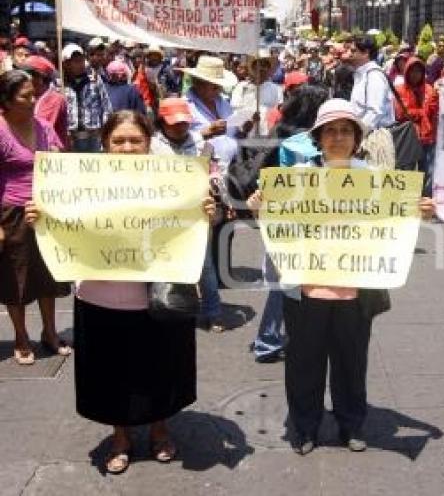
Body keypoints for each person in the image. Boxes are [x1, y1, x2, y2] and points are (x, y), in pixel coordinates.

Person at [24, 110, 215, 474]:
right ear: (105, 144)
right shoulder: (79, 183)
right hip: (100, 298)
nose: (127, 148)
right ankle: (121, 437)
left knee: (161, 367)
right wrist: (41, 217)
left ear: (148, 143)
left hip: (157, 298)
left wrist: (208, 212)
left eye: (135, 140)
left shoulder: (174, 181)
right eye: (119, 141)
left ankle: (160, 430)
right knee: (111, 373)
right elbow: (62, 224)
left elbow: (192, 227)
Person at [247, 99, 434, 454]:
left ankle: (351, 425)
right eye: (330, 131)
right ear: (318, 137)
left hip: (355, 293)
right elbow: (275, 226)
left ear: (356, 137)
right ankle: (305, 428)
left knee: (351, 364)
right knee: (304, 364)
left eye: (345, 130)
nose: (337, 137)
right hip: (304, 290)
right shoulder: (297, 178)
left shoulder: (375, 178)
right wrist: (261, 206)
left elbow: (392, 224)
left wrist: (418, 213)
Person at [250, 84, 328, 363]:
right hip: (303, 222)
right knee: (289, 284)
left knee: (284, 282)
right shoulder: (304, 145)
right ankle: (268, 340)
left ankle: (270, 337)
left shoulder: (281, 130)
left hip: (281, 219)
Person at [0, 70, 71, 365]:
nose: (33, 100)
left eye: (34, 94)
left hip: (46, 211)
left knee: (48, 276)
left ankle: (50, 333)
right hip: (12, 212)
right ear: (6, 99)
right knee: (16, 278)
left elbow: (60, 159)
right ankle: (20, 335)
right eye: (25, 96)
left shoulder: (43, 126)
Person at [150, 98, 226, 332]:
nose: (180, 127)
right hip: (162, 215)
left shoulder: (202, 143)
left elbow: (214, 170)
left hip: (197, 214)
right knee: (164, 261)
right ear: (162, 121)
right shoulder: (151, 147)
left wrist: (215, 185)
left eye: (184, 122)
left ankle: (213, 312)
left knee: (205, 266)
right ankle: (168, 306)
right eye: (174, 123)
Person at [395, 57, 439, 195]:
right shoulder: (400, 90)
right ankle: (408, 200)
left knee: (427, 172)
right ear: (407, 72)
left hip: (428, 138)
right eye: (412, 71)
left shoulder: (430, 90)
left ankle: (424, 200)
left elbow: (435, 111)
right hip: (409, 138)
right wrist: (422, 112)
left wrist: (437, 102)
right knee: (407, 172)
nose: (415, 74)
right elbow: (401, 113)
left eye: (419, 71)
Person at [62, 43, 113, 152]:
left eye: (81, 60)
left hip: (93, 136)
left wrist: (105, 130)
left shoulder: (94, 80)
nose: (80, 64)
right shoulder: (59, 84)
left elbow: (106, 106)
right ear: (66, 64)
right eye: (75, 61)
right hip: (70, 136)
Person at [17, 55, 69, 149]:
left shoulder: (53, 99)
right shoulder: (32, 96)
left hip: (47, 154)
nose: (22, 77)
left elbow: (37, 126)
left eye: (28, 74)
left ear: (41, 78)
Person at [230, 50, 283, 138]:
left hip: (268, 138)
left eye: (265, 65)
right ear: (253, 67)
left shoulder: (277, 89)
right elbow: (235, 114)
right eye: (259, 64)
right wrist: (249, 121)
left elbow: (278, 114)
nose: (262, 68)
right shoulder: (241, 88)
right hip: (246, 137)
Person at [350, 35, 396, 130]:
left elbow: (375, 112)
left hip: (374, 138)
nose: (350, 54)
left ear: (366, 53)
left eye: (354, 51)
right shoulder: (362, 74)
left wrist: (359, 133)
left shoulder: (374, 76)